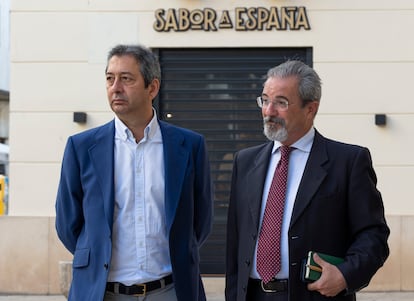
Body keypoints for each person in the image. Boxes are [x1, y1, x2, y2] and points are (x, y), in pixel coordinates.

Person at [55, 44, 213, 301]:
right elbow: (67, 222)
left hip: (171, 291)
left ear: (152, 87)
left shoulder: (189, 146)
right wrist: (96, 256)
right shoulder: (81, 148)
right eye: (110, 79)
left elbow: (201, 221)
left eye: (126, 79)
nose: (115, 87)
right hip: (102, 292)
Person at [225, 60, 389, 301]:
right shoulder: (246, 162)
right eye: (265, 100)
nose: (269, 111)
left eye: (281, 102)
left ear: (310, 108)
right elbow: (234, 245)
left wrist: (345, 276)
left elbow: (373, 236)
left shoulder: (348, 162)